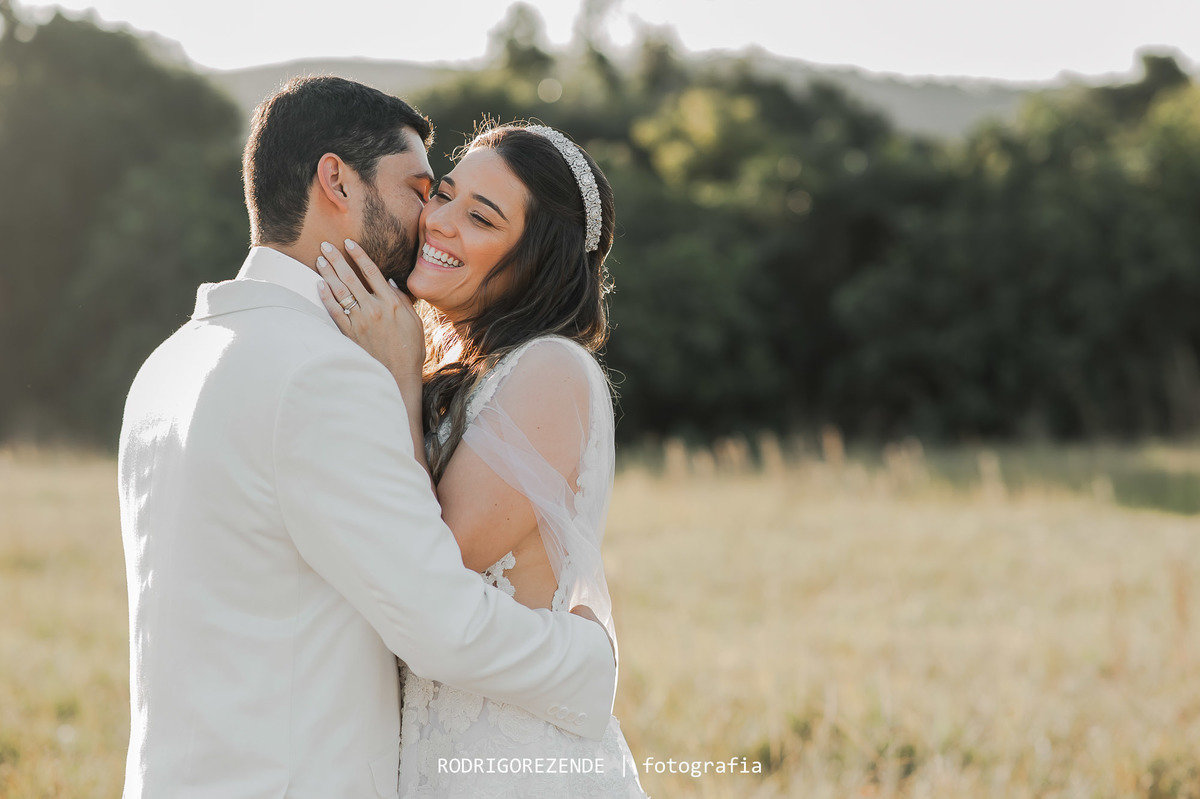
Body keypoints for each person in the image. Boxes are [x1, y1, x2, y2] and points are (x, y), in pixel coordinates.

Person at [117, 77, 617, 799]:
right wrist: (585, 658)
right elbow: (439, 616)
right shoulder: (324, 373)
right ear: (335, 180)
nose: (430, 219)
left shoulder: (168, 364)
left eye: (466, 209)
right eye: (426, 190)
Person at [315, 122, 648, 797]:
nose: (439, 223)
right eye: (444, 194)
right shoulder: (464, 366)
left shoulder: (551, 369)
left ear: (537, 258)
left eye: (481, 217)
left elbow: (432, 559)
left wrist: (402, 375)